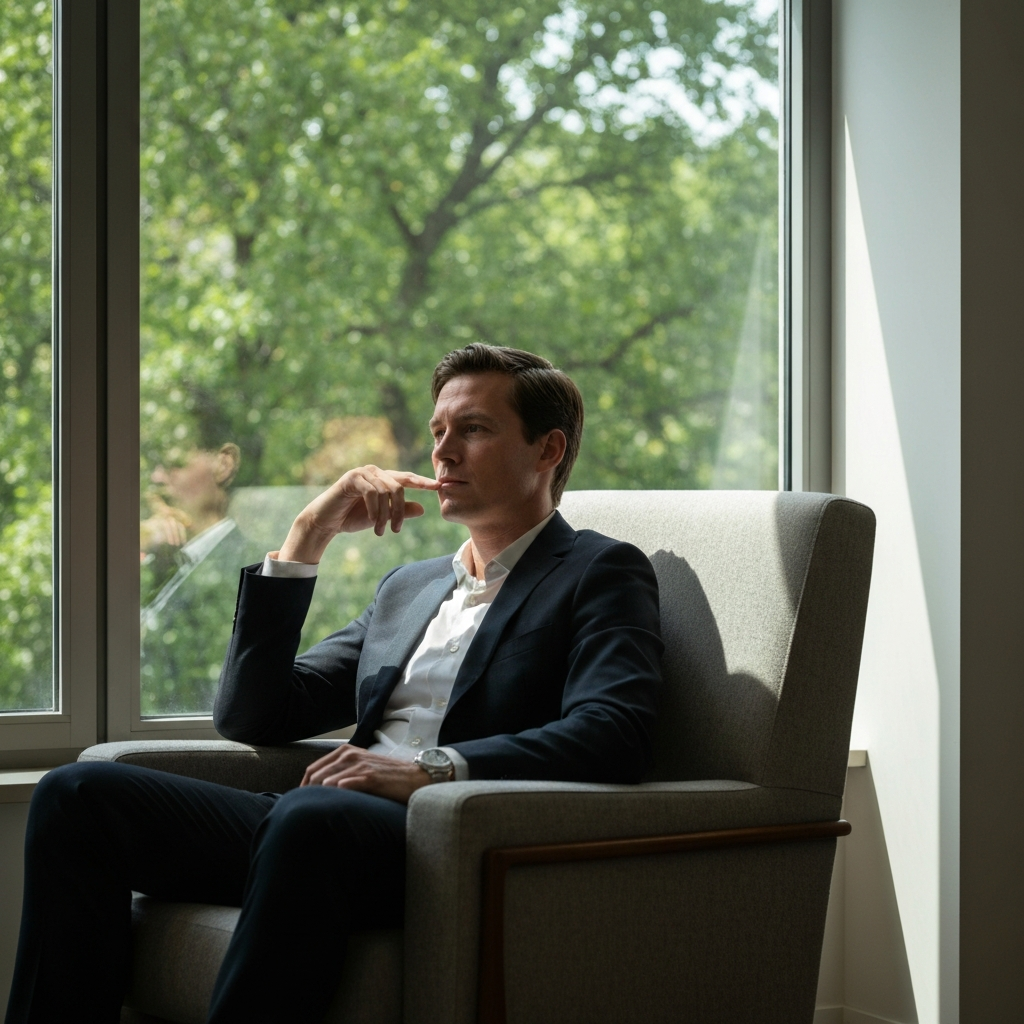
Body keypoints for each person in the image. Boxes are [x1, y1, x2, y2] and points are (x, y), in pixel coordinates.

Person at [5, 344, 663, 1024]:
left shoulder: (599, 571)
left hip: (439, 838)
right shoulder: (410, 587)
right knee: (77, 794)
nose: (443, 453)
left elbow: (614, 734)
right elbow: (254, 715)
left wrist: (427, 771)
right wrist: (306, 536)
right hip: (313, 826)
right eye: (438, 432)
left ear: (548, 450)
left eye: (473, 429)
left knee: (309, 816)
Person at [140, 442, 264, 716]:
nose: (157, 478)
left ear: (224, 465)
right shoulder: (165, 560)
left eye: (175, 464)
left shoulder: (246, 570)